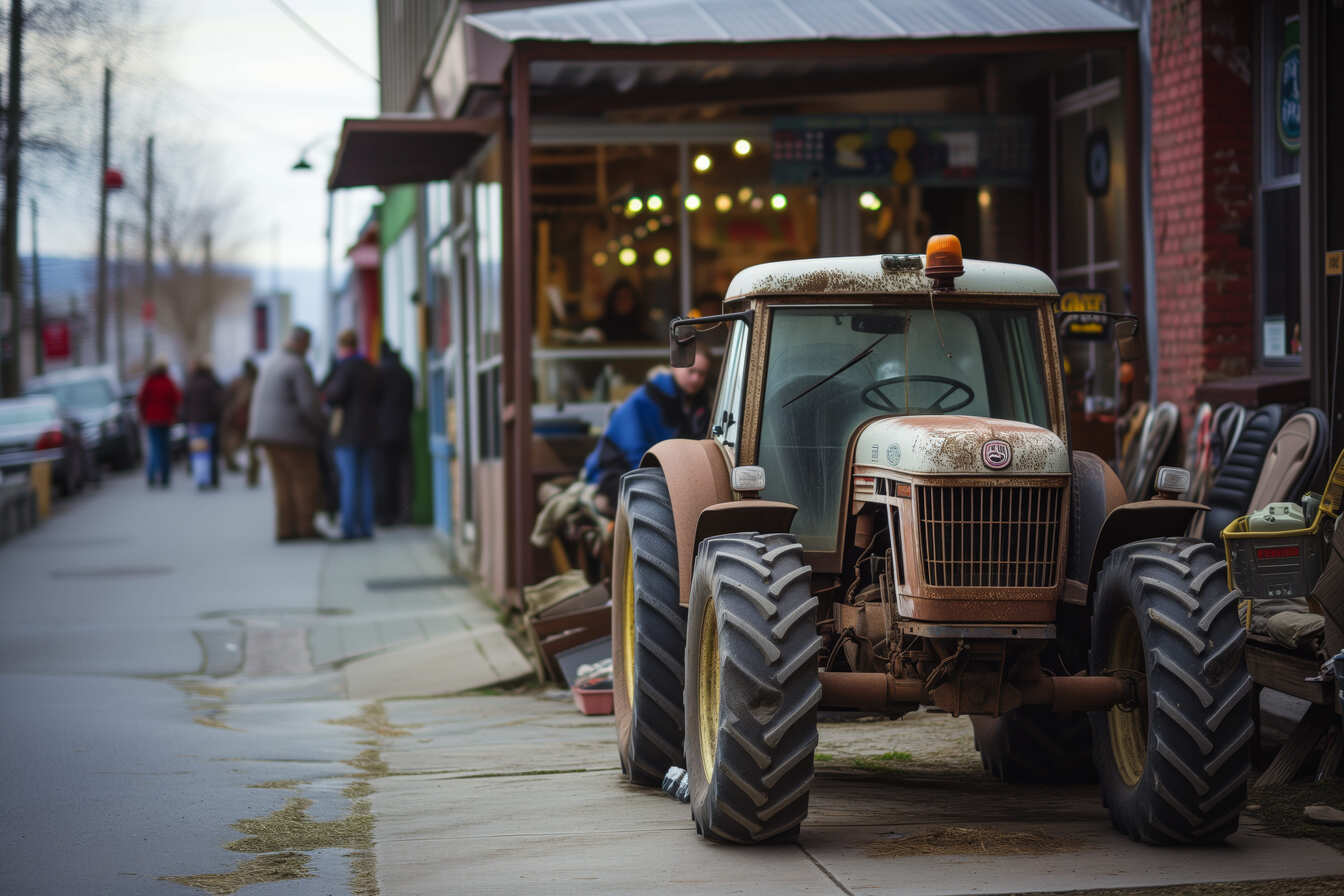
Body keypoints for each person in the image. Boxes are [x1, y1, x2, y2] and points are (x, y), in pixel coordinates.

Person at [582, 346, 712, 513]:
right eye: (691, 371)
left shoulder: (699, 404)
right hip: (616, 472)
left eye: (702, 374)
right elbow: (636, 456)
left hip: (665, 476)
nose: (696, 379)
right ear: (675, 367)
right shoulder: (644, 399)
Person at [248, 325, 326, 541]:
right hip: (292, 435)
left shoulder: (272, 361)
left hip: (266, 434)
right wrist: (322, 425)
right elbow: (309, 404)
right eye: (308, 345)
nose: (308, 350)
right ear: (302, 343)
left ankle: (285, 529)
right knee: (305, 481)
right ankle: (305, 528)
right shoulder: (297, 365)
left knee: (282, 484)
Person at [323, 329, 381, 540]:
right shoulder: (369, 367)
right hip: (369, 431)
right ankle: (366, 527)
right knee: (366, 481)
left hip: (347, 432)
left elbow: (333, 395)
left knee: (349, 481)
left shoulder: (343, 368)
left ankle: (348, 528)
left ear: (341, 346)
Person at [375, 340, 415, 526]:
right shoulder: (406, 373)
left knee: (384, 473)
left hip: (381, 430)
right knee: (403, 473)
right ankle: (404, 512)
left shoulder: (378, 373)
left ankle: (386, 514)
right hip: (403, 427)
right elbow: (410, 403)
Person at [181, 358, 225, 490]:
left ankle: (201, 479)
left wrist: (186, 419)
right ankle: (212, 478)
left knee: (199, 452)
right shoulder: (212, 382)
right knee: (211, 451)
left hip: (194, 423)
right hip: (209, 421)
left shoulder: (190, 383)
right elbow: (219, 403)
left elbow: (184, 404)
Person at [137, 360, 181, 488]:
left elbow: (141, 400)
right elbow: (177, 398)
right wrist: (174, 414)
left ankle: (151, 475)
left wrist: (143, 415)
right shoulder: (168, 382)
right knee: (165, 448)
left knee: (155, 448)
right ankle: (165, 477)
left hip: (152, 419)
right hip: (166, 419)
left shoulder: (149, 382)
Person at [221, 359, 260, 485]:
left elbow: (232, 399)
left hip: (242, 419)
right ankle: (251, 475)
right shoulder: (255, 382)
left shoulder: (238, 381)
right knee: (251, 447)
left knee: (239, 445)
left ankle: (244, 470)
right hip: (249, 419)